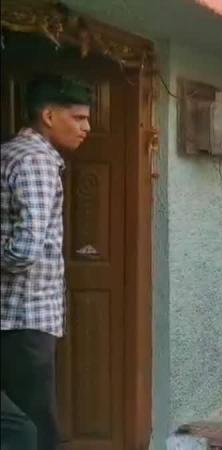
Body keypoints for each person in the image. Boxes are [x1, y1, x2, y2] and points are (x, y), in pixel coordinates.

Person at [1, 75, 92, 450]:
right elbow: (25, 249)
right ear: (49, 116)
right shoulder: (36, 160)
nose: (87, 128)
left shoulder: (11, 152)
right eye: (78, 118)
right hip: (26, 315)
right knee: (35, 427)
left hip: (14, 317)